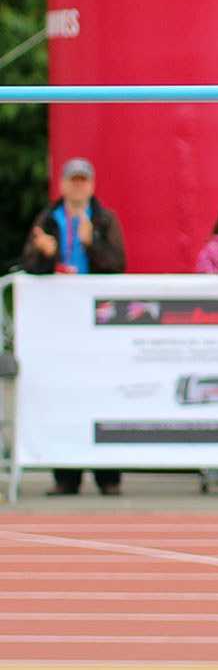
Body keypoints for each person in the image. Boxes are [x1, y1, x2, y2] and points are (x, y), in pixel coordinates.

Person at [21, 157, 127, 496]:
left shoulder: (104, 219)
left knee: (103, 393)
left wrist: (89, 243)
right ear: (64, 184)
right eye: (73, 180)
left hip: (98, 323)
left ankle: (108, 477)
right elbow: (30, 265)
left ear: (92, 185)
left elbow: (117, 266)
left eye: (84, 180)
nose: (78, 185)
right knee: (62, 395)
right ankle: (66, 476)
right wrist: (48, 254)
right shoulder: (48, 219)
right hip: (59, 323)